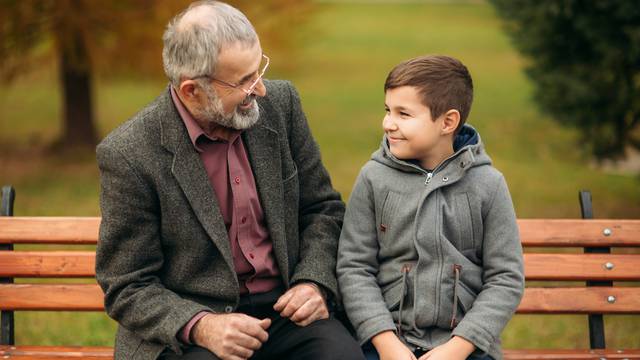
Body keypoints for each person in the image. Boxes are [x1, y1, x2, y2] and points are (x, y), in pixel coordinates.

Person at [95, 2, 364, 359]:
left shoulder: (281, 105)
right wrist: (202, 325)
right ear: (192, 91)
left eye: (258, 70)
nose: (261, 90)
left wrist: (313, 281)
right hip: (194, 326)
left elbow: (321, 209)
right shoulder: (130, 154)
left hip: (286, 309)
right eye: (243, 81)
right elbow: (127, 284)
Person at [336, 55, 525, 360]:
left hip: (467, 348)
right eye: (387, 110)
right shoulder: (374, 178)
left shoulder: (488, 185)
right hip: (387, 344)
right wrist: (386, 343)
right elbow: (354, 267)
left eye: (403, 114)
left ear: (447, 122)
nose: (388, 123)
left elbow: (506, 278)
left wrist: (457, 348)